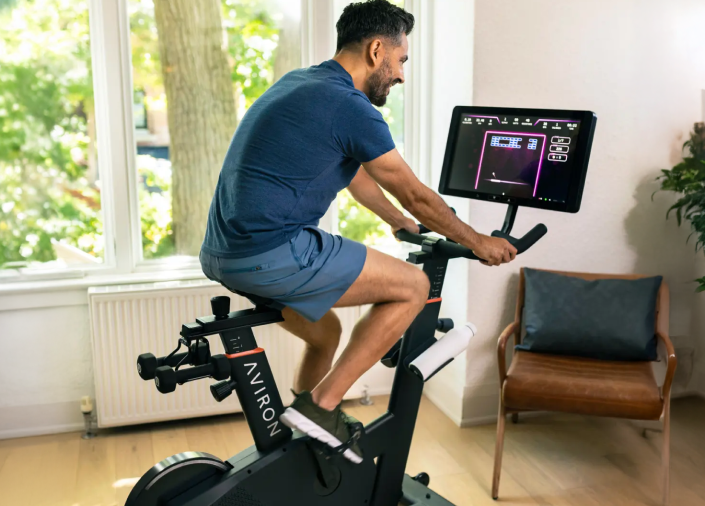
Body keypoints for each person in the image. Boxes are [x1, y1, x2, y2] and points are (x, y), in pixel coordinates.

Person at [200, 0, 516, 463]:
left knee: (325, 332)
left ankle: (300, 435)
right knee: (414, 287)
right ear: (375, 50)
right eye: (401, 59)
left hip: (225, 253)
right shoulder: (350, 107)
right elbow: (417, 195)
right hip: (270, 250)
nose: (403, 74)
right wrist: (479, 242)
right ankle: (323, 406)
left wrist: (398, 224)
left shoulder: (303, 84)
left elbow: (355, 177)